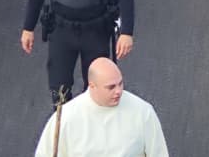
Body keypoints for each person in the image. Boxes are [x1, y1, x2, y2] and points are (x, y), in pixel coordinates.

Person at [33, 58, 169, 157]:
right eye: (111, 87)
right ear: (92, 86)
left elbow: (159, 153)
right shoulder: (66, 117)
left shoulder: (143, 112)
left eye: (120, 83)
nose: (118, 91)